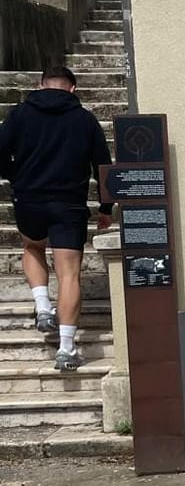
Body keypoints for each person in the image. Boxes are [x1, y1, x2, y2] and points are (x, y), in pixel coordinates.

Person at [0, 66, 112, 370]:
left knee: (32, 247)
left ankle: (42, 306)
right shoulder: (85, 120)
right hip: (68, 204)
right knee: (69, 275)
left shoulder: (20, 114)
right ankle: (66, 348)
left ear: (41, 85)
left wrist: (14, 176)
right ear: (72, 89)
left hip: (29, 200)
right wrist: (105, 208)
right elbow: (102, 165)